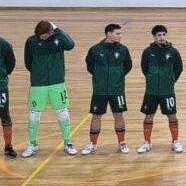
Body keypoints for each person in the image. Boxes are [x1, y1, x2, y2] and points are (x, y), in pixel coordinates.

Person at [23, 21, 77, 157]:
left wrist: (58, 30)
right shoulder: (31, 41)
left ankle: (68, 142)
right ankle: (33, 144)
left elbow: (70, 45)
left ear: (51, 32)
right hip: (38, 85)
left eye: (44, 35)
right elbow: (28, 62)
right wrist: (38, 74)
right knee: (34, 114)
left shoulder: (58, 39)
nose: (42, 38)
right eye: (40, 36)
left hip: (57, 83)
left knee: (62, 112)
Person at [82, 23, 133, 155]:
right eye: (118, 33)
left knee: (119, 115)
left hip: (117, 90)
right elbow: (90, 67)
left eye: (121, 33)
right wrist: (100, 77)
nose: (120, 36)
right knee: (96, 116)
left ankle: (122, 143)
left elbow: (128, 66)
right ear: (109, 34)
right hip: (99, 90)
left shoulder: (123, 50)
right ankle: (93, 144)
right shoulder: (95, 50)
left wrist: (117, 77)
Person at [138, 25, 184, 153]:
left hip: (167, 91)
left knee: (172, 116)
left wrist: (171, 80)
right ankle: (147, 142)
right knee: (148, 116)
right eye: (159, 35)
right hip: (151, 91)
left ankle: (175, 141)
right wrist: (151, 79)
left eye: (164, 34)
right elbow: (144, 68)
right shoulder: (147, 52)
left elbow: (179, 68)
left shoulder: (173, 52)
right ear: (154, 36)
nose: (162, 37)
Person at [0, 34, 17, 158]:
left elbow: (10, 66)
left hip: (0, 86)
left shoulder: (4, 45)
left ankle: (8, 146)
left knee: (4, 114)